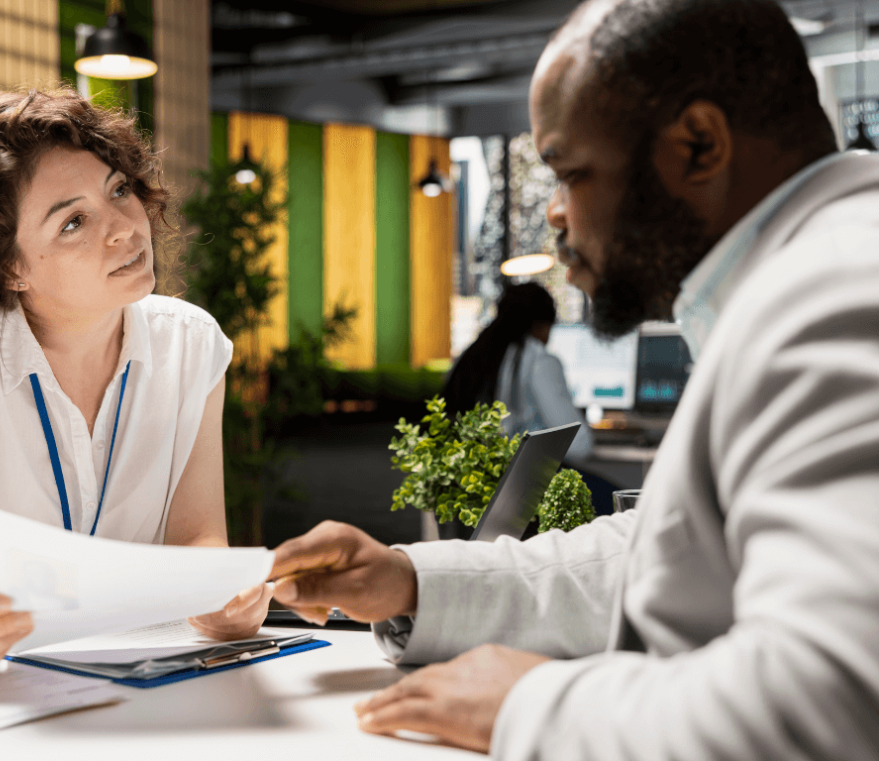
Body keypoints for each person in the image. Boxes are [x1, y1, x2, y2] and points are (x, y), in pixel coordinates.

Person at [265, 0, 879, 758]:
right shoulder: (803, 279)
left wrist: (528, 705)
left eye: (568, 172)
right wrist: (411, 579)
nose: (554, 214)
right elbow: (659, 551)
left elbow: (828, 705)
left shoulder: (839, 295)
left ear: (698, 144)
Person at [0, 89, 271, 688]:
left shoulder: (191, 345)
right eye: (73, 222)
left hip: (146, 669)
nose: (123, 227)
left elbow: (197, 536)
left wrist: (225, 596)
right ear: (12, 267)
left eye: (119, 189)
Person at [442, 282, 593, 465]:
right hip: (520, 481)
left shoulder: (470, 357)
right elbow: (579, 444)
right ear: (543, 325)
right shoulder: (538, 361)